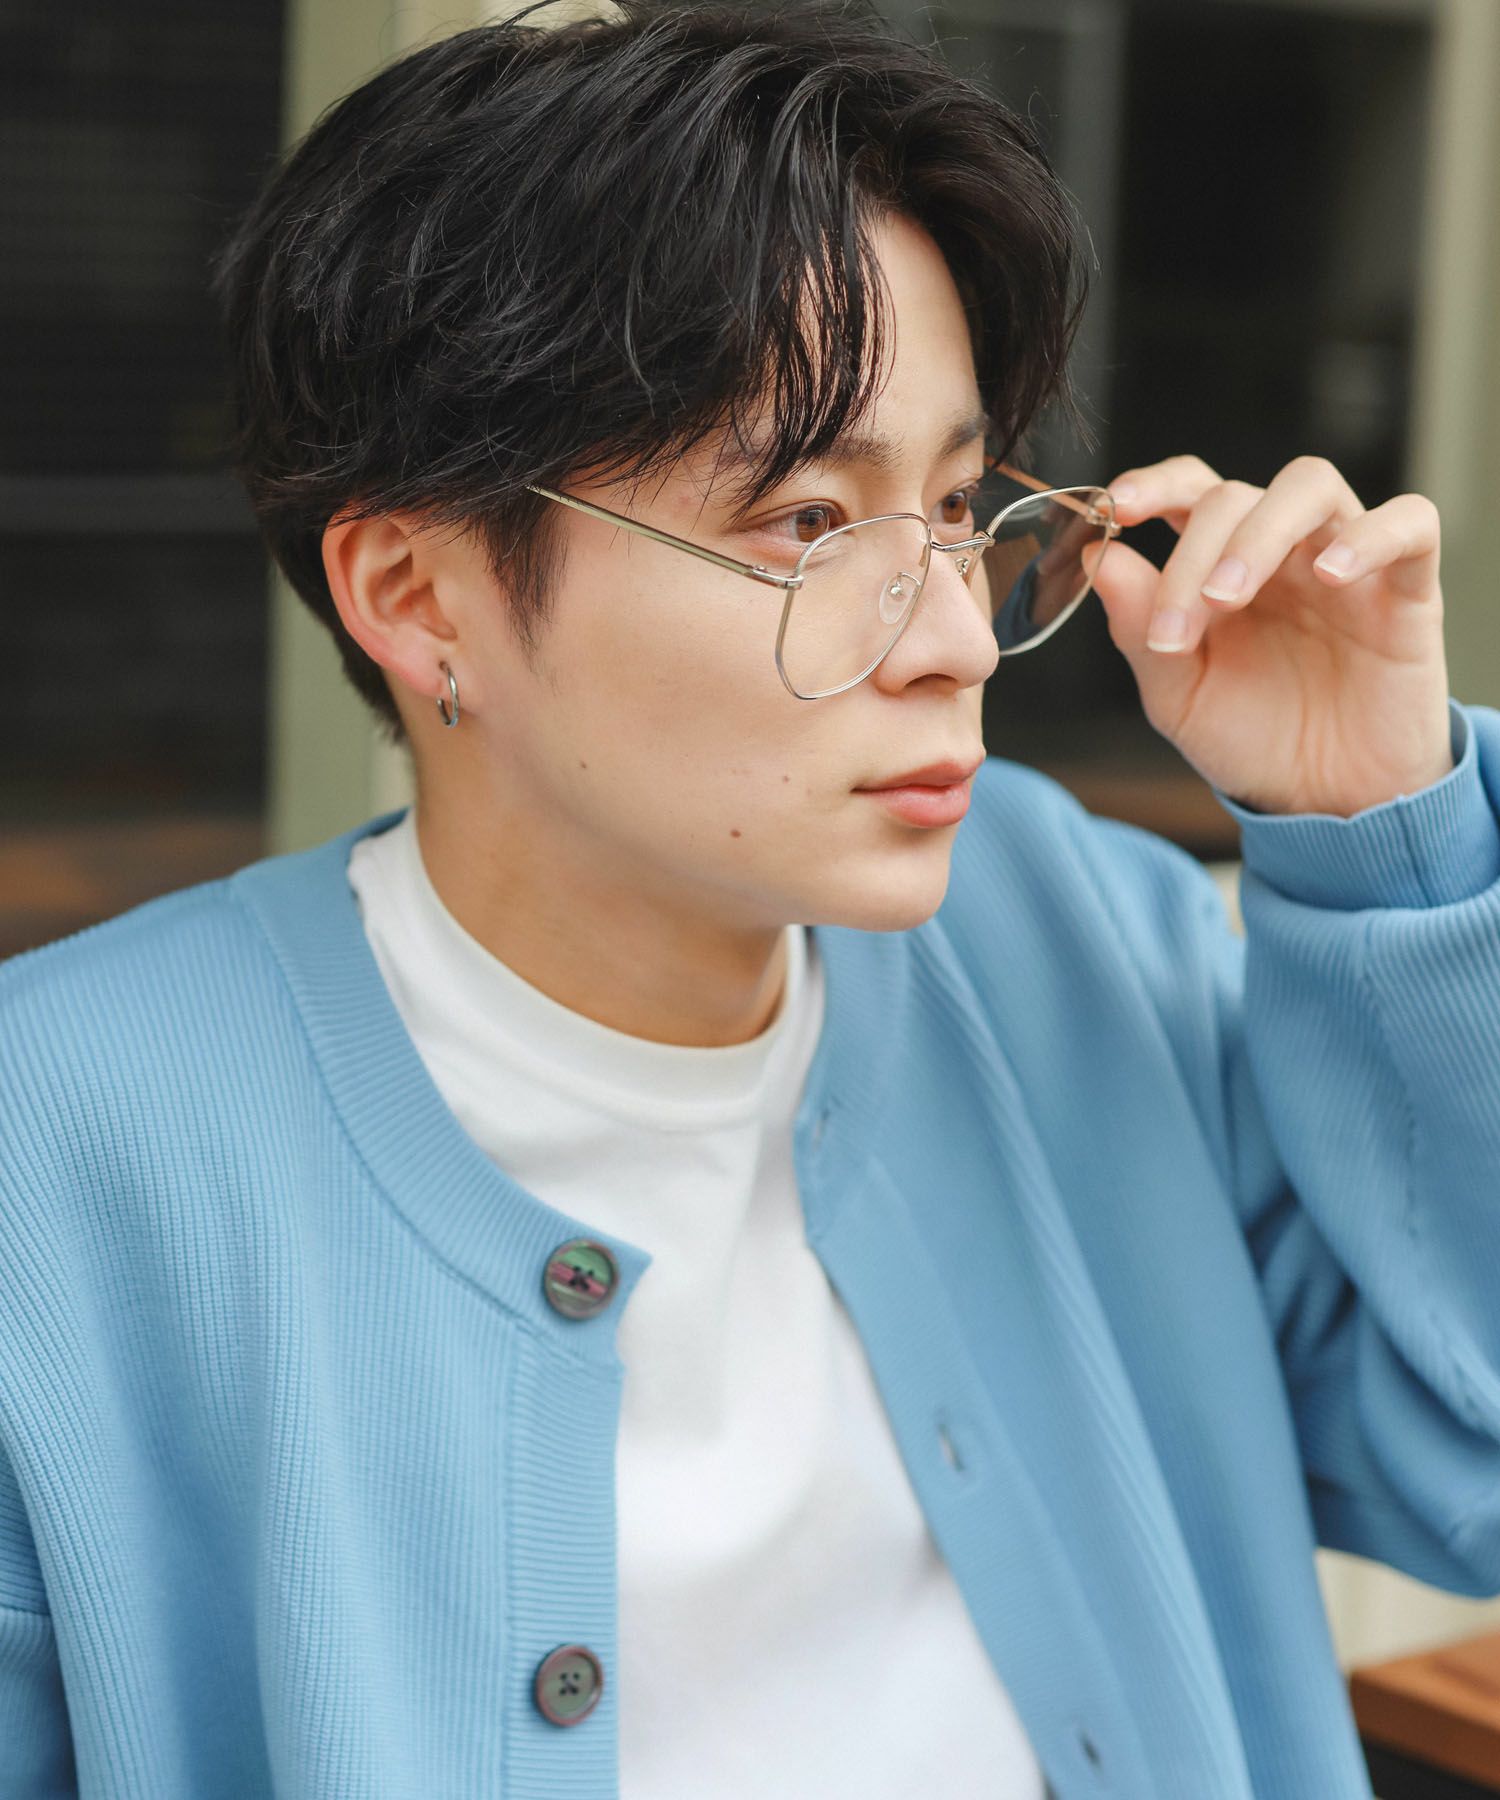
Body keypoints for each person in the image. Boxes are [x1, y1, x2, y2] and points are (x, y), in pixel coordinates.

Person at [1, 1, 1497, 1794]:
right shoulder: (58, 1166)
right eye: (807, 523)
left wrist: (1384, 834)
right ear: (417, 594)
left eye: (960, 507)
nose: (957, 641)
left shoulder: (1072, 933)